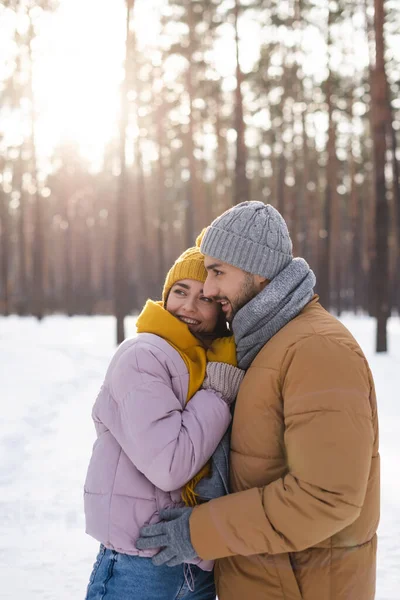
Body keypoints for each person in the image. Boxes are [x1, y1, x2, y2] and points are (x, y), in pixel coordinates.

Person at [137, 201, 380, 600]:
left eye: (218, 272)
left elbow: (327, 498)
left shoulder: (317, 349)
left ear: (260, 275)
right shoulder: (267, 345)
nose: (209, 289)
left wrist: (200, 531)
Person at [84, 245, 244, 600]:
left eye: (203, 298)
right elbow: (169, 465)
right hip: (141, 565)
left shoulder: (207, 360)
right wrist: (217, 395)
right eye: (180, 292)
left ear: (220, 311)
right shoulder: (144, 356)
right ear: (165, 295)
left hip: (197, 560)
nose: (187, 307)